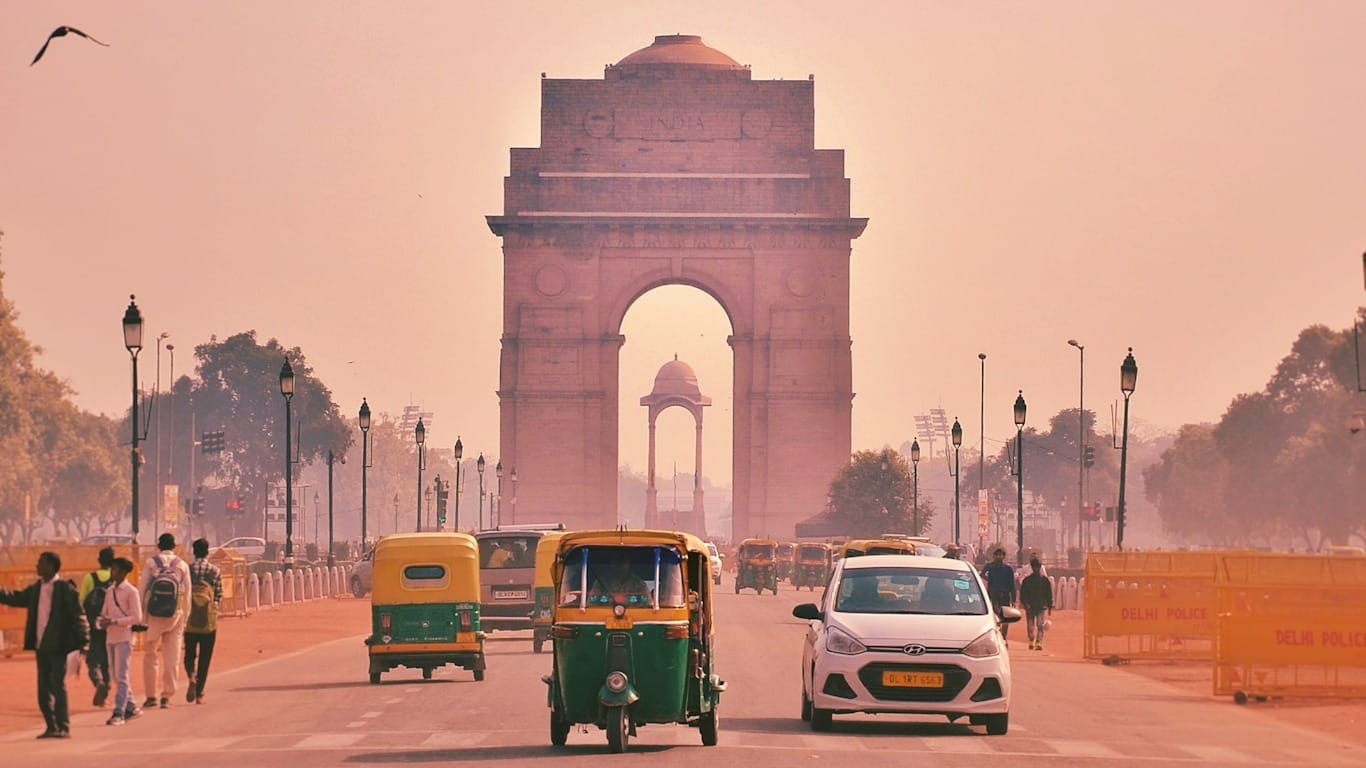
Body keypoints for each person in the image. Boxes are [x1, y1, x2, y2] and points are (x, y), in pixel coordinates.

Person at [0, 551, 89, 739]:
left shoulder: (65, 589)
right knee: (43, 689)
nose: (37, 566)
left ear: (51, 566)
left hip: (58, 646)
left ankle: (63, 726)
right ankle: (51, 726)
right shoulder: (36, 589)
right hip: (41, 646)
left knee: (57, 685)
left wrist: (84, 642)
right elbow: (14, 597)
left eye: (41, 563)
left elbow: (78, 615)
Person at [139, 532, 191, 709]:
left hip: (153, 616)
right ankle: (167, 695)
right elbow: (187, 594)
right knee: (172, 657)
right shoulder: (182, 565)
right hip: (175, 615)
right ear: (174, 546)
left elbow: (142, 589)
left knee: (150, 655)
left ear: (158, 545)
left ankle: (151, 695)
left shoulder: (151, 563)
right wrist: (185, 617)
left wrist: (141, 615)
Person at [98, 557, 143, 725]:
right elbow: (104, 612)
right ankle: (131, 706)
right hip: (110, 637)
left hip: (124, 637)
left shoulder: (131, 591)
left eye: (115, 569)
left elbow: (137, 617)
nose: (112, 572)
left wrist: (115, 622)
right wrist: (101, 622)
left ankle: (119, 712)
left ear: (123, 572)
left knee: (122, 675)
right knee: (116, 676)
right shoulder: (110, 591)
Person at [184, 538, 222, 704]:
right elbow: (219, 596)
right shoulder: (214, 571)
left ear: (194, 551)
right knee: (205, 657)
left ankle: (191, 675)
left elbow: (183, 592)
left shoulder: (188, 569)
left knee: (189, 655)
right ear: (207, 552)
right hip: (208, 622)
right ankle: (200, 693)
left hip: (190, 619)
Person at [78, 546, 115, 707]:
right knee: (107, 660)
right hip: (111, 625)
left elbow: (80, 602)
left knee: (93, 659)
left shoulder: (90, 578)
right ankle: (106, 689)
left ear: (99, 561)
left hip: (93, 625)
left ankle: (98, 682)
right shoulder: (116, 578)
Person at [980, 548, 1017, 639]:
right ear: (994, 556)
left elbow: (1012, 584)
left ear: (1003, 556)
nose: (999, 557)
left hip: (1005, 595)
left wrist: (1014, 599)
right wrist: (988, 597)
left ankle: (1004, 636)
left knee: (1006, 616)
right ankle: (999, 635)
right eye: (997, 555)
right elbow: (990, 584)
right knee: (997, 616)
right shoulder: (991, 569)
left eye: (1001, 555)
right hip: (995, 594)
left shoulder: (1008, 569)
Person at [1019, 558, 1053, 651]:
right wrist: (1026, 604)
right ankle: (1031, 639)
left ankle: (1039, 642)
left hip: (1041, 606)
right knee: (1030, 626)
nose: (1036, 568)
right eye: (1034, 567)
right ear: (1032, 567)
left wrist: (1049, 606)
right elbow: (1023, 594)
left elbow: (1049, 594)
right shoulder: (1027, 580)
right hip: (1030, 606)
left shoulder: (1045, 580)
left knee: (1040, 625)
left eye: (1038, 567)